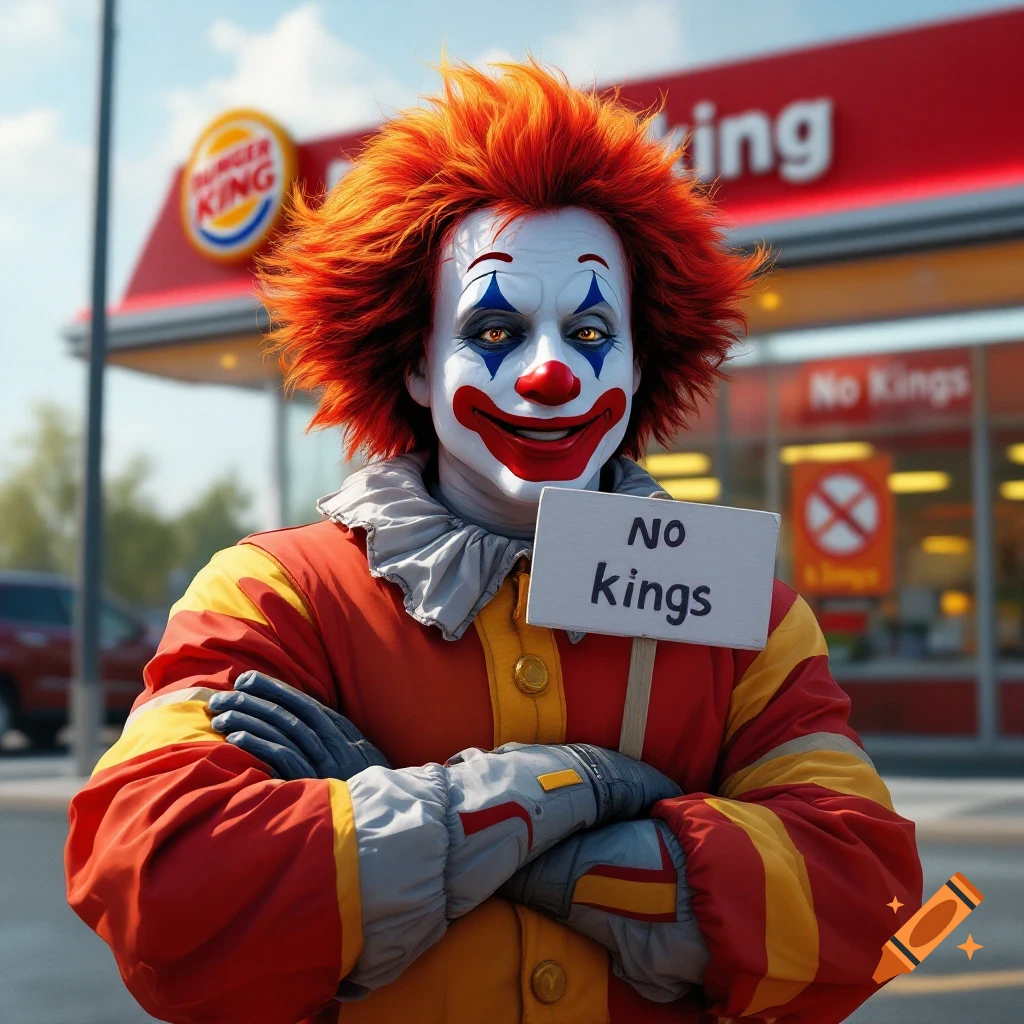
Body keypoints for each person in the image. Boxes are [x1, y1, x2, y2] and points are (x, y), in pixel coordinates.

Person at [65, 59, 922, 1024]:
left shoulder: (745, 616)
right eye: (497, 327)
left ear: (640, 364)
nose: (552, 371)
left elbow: (875, 905)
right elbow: (157, 884)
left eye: (593, 330)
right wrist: (565, 793)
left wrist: (421, 822)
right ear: (419, 366)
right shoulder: (272, 595)